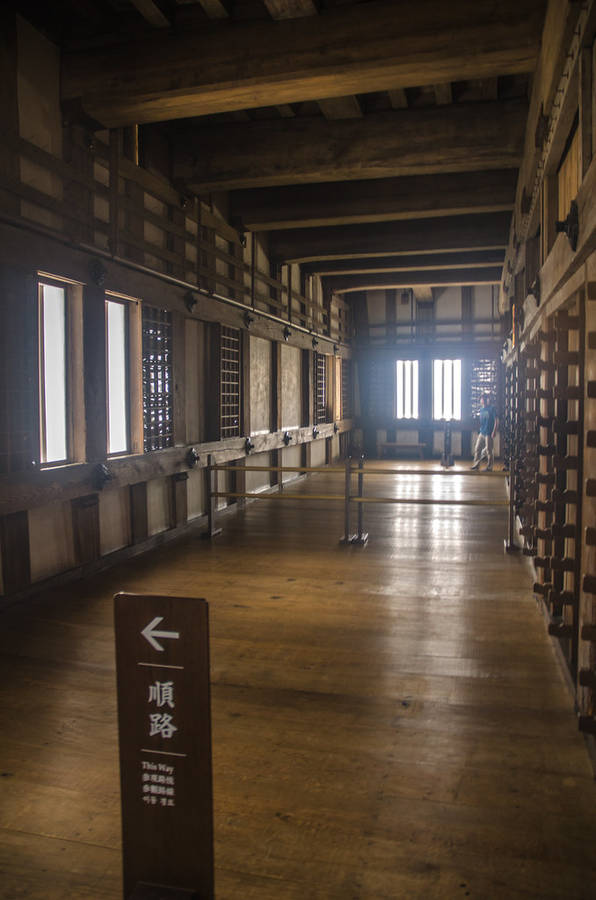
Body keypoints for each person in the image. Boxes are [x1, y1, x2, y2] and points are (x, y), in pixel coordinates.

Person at [471, 393, 498, 471]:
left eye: (485, 398)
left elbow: (496, 420)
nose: (484, 400)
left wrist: (494, 431)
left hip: (489, 433)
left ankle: (489, 467)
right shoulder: (482, 409)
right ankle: (476, 465)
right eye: (482, 399)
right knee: (477, 448)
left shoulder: (492, 408)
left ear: (488, 399)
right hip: (482, 432)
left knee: (489, 450)